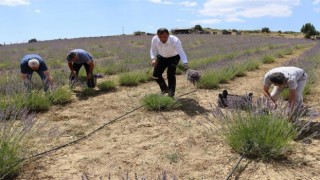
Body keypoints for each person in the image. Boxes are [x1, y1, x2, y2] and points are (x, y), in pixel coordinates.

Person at [150, 28, 189, 97]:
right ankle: (165, 89)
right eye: (160, 37)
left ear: (168, 35)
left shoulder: (175, 40)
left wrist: (185, 63)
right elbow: (153, 50)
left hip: (174, 57)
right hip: (162, 57)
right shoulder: (155, 39)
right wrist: (153, 58)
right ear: (157, 35)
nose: (163, 39)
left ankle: (171, 93)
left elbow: (181, 52)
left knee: (170, 74)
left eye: (165, 37)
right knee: (156, 75)